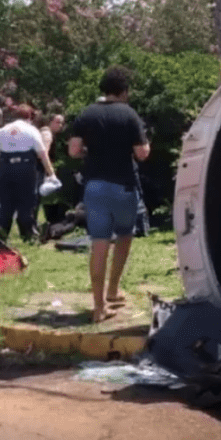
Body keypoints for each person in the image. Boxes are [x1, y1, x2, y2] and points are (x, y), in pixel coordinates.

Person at [68, 66, 151, 323]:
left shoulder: (87, 114)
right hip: (123, 186)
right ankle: (113, 289)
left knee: (99, 242)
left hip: (95, 186)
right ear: (124, 91)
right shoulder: (129, 114)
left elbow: (73, 150)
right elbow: (142, 153)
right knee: (125, 235)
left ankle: (98, 306)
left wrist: (90, 153)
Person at [0, 104, 56, 243]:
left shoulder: (3, 130)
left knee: (6, 202)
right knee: (26, 201)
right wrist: (51, 173)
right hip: (25, 167)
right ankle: (27, 233)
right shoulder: (31, 130)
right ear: (29, 117)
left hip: (6, 167)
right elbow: (42, 154)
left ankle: (2, 232)